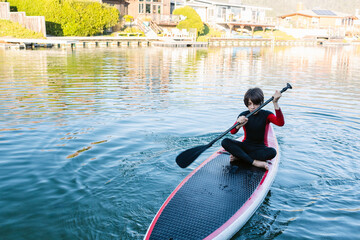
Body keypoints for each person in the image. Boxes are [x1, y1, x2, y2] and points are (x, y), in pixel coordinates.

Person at [221, 87, 284, 170]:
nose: (252, 107)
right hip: (245, 146)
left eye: (255, 104)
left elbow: (280, 123)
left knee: (272, 152)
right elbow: (232, 132)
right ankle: (254, 162)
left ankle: (240, 157)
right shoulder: (244, 115)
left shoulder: (266, 115)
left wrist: (275, 102)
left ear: (261, 103)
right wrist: (238, 124)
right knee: (225, 141)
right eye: (250, 104)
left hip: (260, 149)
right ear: (246, 104)